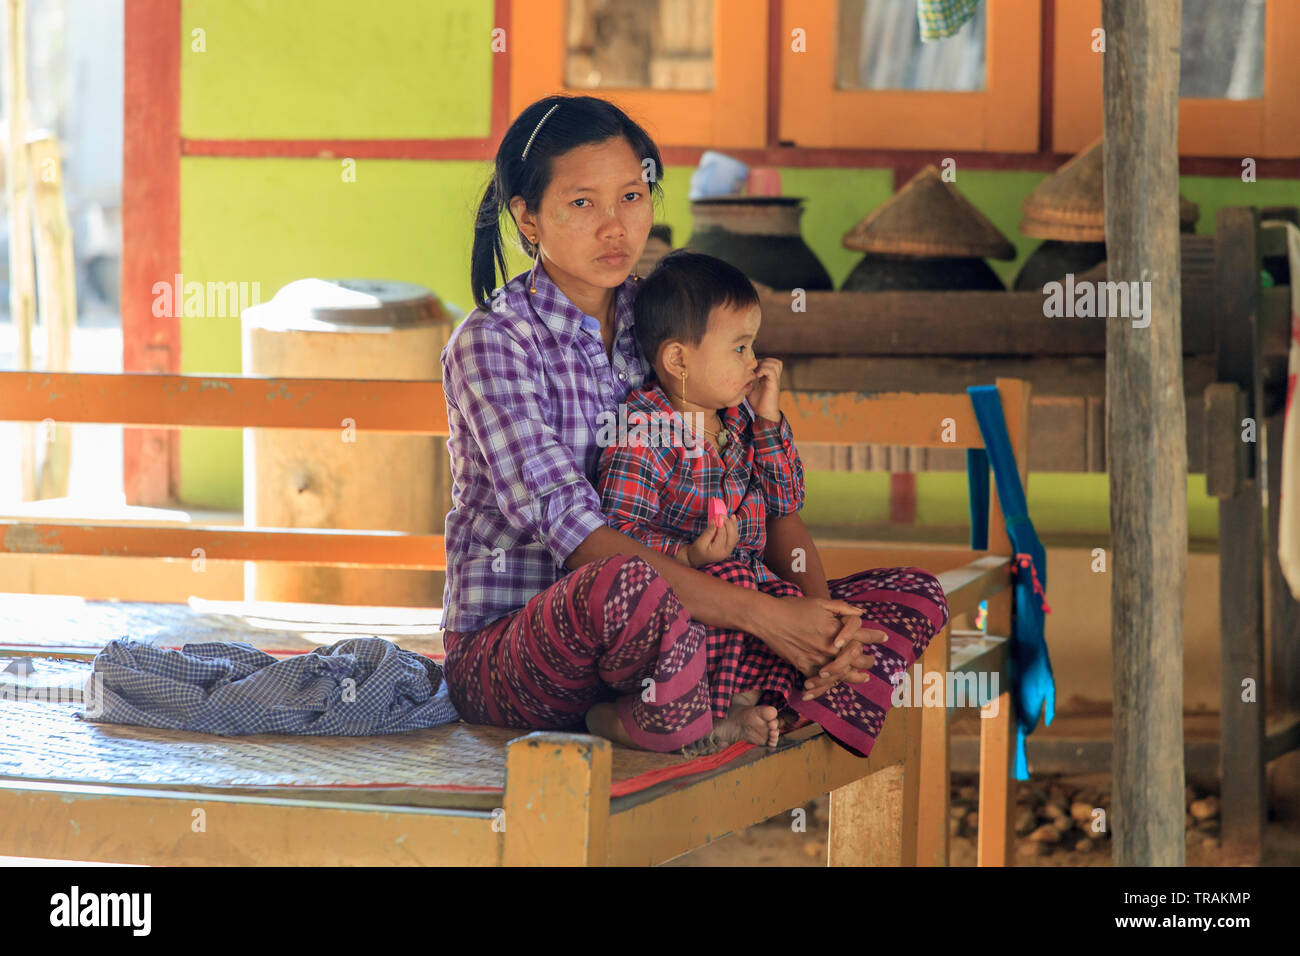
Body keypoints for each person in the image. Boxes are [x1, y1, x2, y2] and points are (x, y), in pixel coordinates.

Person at [440, 93, 949, 756]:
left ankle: (725, 702)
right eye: (582, 203)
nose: (617, 227)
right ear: (528, 218)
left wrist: (819, 625)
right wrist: (770, 619)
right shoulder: (495, 344)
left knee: (913, 597)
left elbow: (759, 492)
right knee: (623, 582)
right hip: (522, 656)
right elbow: (582, 539)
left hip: (687, 627)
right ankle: (714, 704)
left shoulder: (668, 318)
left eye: (632, 195)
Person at [594, 250, 944, 757]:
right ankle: (722, 714)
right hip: (689, 626)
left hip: (771, 609)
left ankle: (817, 683)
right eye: (739, 347)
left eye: (752, 344)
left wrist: (768, 422)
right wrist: (692, 558)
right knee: (733, 575)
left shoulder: (740, 423)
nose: (755, 362)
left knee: (919, 591)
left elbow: (787, 499)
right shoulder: (641, 434)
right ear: (678, 360)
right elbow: (617, 546)